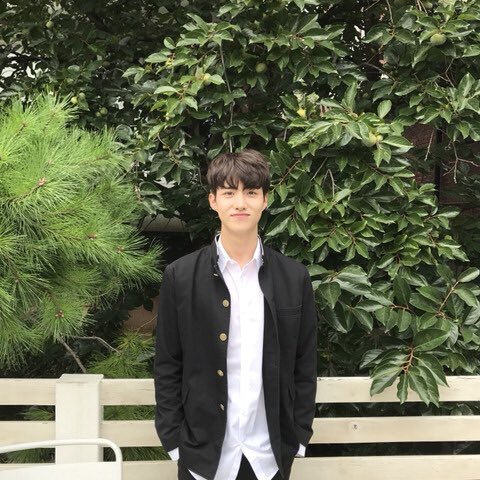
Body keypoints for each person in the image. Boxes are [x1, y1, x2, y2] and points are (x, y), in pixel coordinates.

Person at [154, 149, 317, 480]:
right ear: (213, 201)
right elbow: (168, 363)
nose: (240, 203)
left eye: (251, 192)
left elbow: (305, 363)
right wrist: (174, 441)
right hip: (202, 457)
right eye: (229, 193)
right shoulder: (180, 276)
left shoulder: (293, 277)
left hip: (268, 457)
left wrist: (298, 435)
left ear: (265, 200)